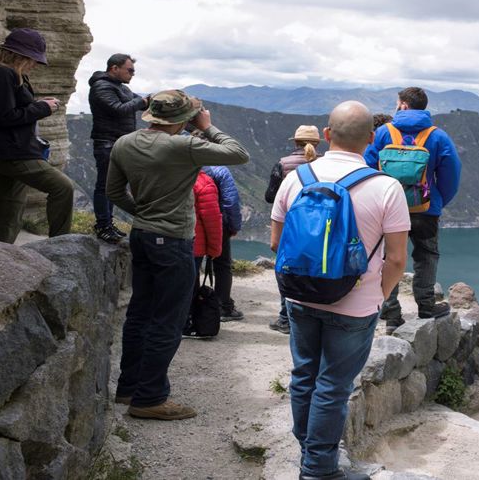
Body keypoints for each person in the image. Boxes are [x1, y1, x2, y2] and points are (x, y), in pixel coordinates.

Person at [270, 101, 409, 480]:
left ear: (327, 135)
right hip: (355, 305)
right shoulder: (386, 187)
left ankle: (309, 449)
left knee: (304, 375)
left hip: (299, 296)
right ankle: (318, 468)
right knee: (332, 385)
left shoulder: (296, 178)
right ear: (370, 139)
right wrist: (376, 295)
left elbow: (276, 245)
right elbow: (397, 259)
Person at [107, 90, 248, 420]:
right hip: (172, 241)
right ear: (183, 120)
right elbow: (238, 154)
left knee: (140, 313)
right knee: (168, 320)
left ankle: (128, 389)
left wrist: (141, 212)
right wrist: (208, 126)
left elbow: (113, 192)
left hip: (140, 236)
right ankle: (151, 398)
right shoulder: (183, 146)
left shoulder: (123, 143)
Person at [364, 87, 462, 334]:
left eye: (398, 103)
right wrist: (437, 201)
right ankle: (427, 306)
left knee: (388, 257)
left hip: (387, 208)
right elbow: (451, 174)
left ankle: (391, 312)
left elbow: (366, 167)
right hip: (425, 209)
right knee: (426, 255)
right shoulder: (438, 136)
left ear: (404, 105)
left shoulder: (384, 133)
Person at [0, 28, 74, 244]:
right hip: (13, 152)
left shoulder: (0, 73)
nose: (34, 64)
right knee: (62, 187)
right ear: (20, 55)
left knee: (9, 204)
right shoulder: (3, 74)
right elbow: (4, 116)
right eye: (33, 59)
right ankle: (61, 244)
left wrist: (37, 104)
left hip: (4, 149)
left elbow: (4, 110)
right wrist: (44, 108)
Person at [264, 125, 323, 334]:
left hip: (291, 225)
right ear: (318, 143)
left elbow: (270, 196)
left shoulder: (283, 164)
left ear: (294, 142)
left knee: (288, 268)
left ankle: (285, 318)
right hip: (321, 226)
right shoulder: (325, 164)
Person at [88, 53, 148, 243]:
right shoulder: (101, 86)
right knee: (104, 185)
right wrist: (141, 101)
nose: (132, 74)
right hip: (107, 143)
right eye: (129, 70)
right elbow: (118, 109)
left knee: (114, 185)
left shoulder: (120, 88)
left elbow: (138, 103)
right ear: (114, 68)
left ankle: (108, 224)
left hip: (118, 143)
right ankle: (103, 225)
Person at [202, 164, 244, 321]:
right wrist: (234, 226)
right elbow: (230, 201)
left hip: (192, 222)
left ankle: (191, 306)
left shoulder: (188, 165)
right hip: (218, 223)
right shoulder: (220, 171)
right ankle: (223, 307)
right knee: (223, 265)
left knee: (192, 262)